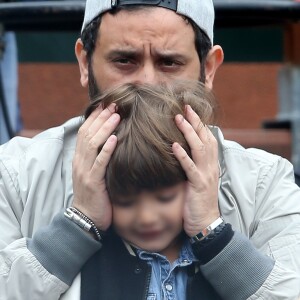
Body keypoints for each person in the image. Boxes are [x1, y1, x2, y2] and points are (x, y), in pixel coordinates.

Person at [0, 0, 300, 299]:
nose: (147, 82)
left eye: (169, 62)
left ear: (208, 69)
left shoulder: (264, 183)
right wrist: (77, 225)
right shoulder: (16, 175)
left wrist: (213, 232)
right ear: (84, 63)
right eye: (124, 60)